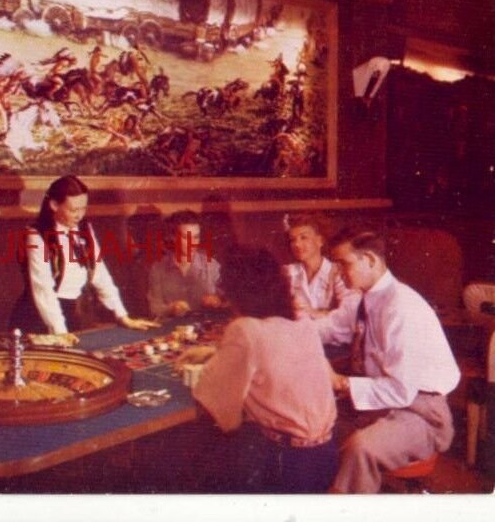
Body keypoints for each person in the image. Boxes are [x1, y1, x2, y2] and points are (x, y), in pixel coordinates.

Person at [176, 247, 338, 493]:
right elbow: (271, 351)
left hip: (288, 464)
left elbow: (221, 411)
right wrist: (215, 352)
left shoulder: (244, 330)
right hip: (326, 456)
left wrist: (210, 366)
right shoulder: (302, 321)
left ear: (235, 292)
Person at [322, 228, 460, 493]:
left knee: (360, 448)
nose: (338, 272)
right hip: (386, 403)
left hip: (422, 412)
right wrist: (287, 331)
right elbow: (328, 327)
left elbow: (401, 391)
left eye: (344, 263)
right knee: (317, 425)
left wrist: (341, 383)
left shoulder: (401, 307)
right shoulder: (365, 300)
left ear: (370, 260)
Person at [10, 175, 158, 335]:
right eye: (73, 209)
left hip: (72, 314)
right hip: (39, 318)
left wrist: (123, 316)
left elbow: (100, 275)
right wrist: (60, 332)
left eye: (83, 208)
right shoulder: (36, 234)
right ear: (54, 205)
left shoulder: (85, 228)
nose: (79, 215)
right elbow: (43, 289)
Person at [147, 210, 222, 318]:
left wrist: (217, 301)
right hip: (170, 332)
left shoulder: (212, 265)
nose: (193, 243)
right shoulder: (158, 268)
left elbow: (229, 301)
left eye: (196, 237)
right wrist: (171, 309)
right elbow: (154, 308)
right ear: (173, 237)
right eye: (186, 237)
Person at [283, 213, 355, 320]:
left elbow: (348, 314)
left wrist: (312, 313)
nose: (297, 244)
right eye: (293, 239)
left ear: (320, 241)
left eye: (304, 237)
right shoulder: (288, 272)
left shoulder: (338, 272)